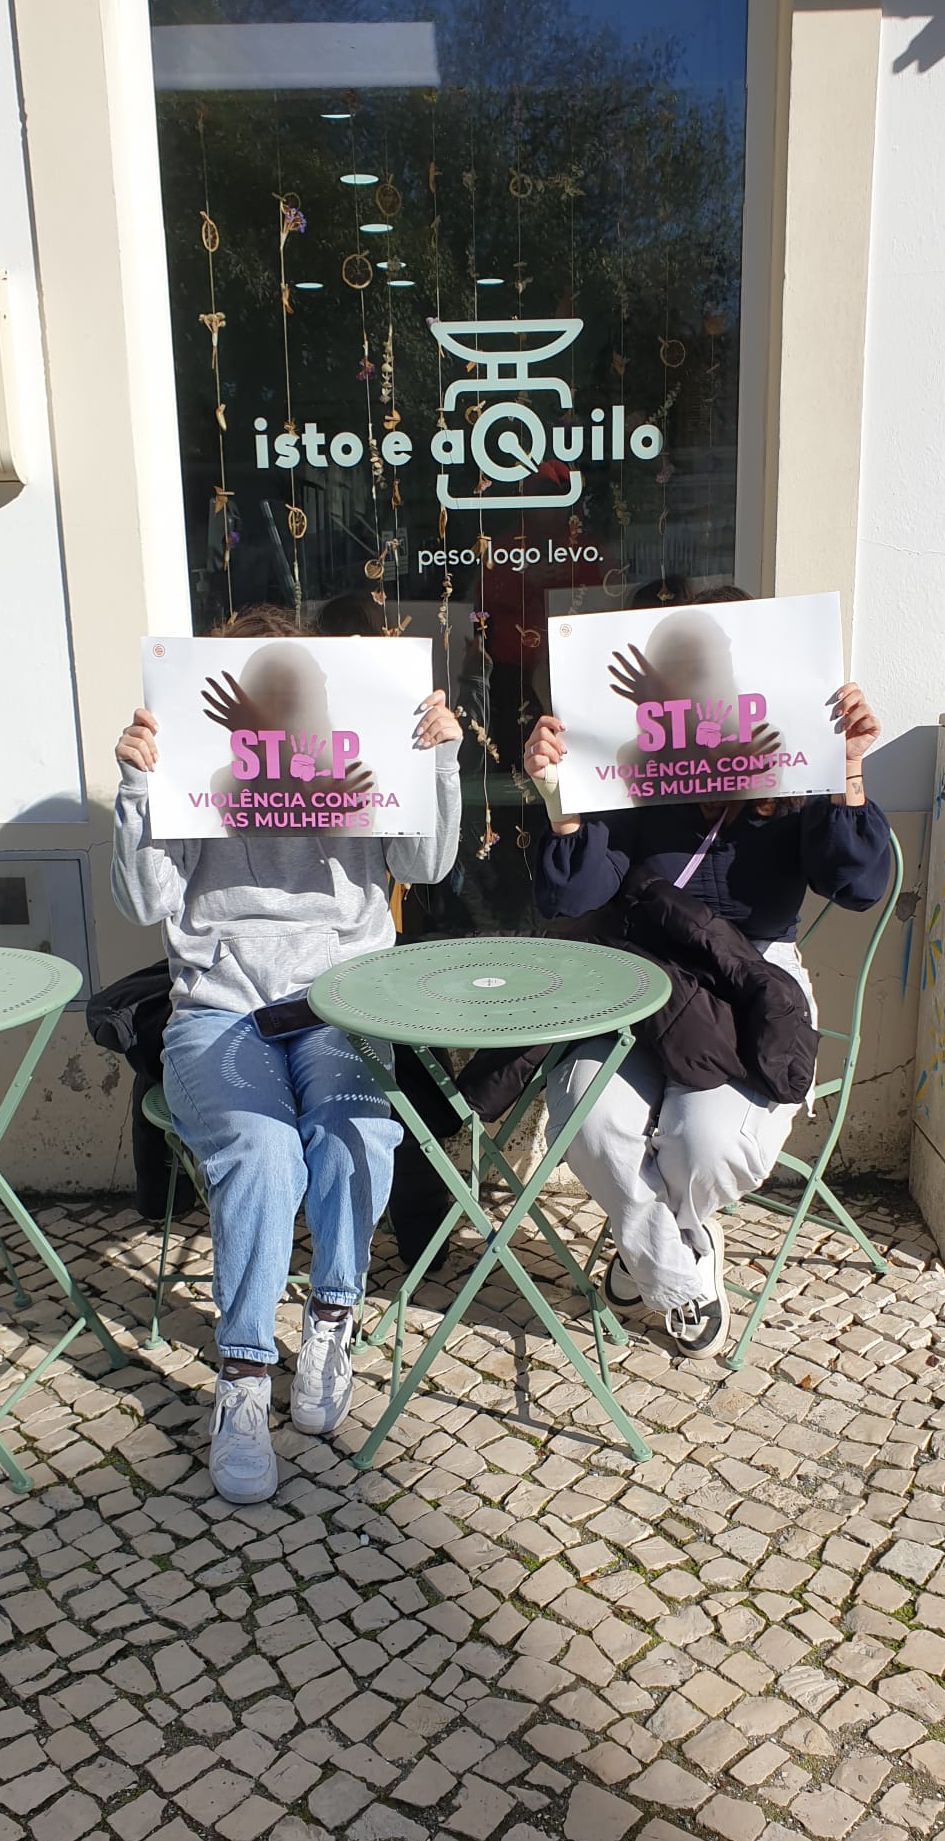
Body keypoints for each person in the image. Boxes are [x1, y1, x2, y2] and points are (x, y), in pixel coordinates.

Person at [113, 604, 462, 1503]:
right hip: (220, 1007)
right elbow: (146, 900)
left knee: (356, 1135)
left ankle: (332, 1316)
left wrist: (436, 760)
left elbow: (424, 866)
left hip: (341, 999)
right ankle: (241, 1374)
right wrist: (139, 786)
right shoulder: (197, 766)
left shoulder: (359, 756)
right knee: (263, 1150)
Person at [522, 586, 892, 1360]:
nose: (700, 689)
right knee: (589, 1115)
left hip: (750, 975)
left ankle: (647, 1248)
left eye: (715, 667)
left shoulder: (791, 756)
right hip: (640, 975)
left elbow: (858, 885)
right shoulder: (628, 764)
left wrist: (846, 771)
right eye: (682, 672)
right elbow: (572, 897)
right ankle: (678, 1263)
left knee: (711, 1143)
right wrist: (563, 801)